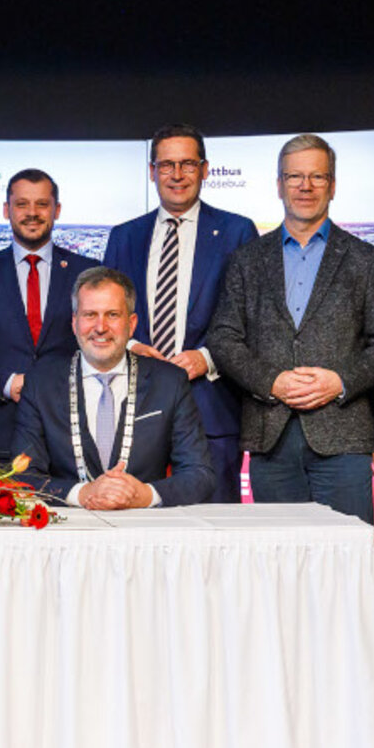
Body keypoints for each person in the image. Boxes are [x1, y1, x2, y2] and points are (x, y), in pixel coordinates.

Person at [205, 134, 374, 522]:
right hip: (271, 435)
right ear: (279, 185)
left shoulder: (365, 260)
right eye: (295, 176)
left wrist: (340, 381)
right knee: (280, 565)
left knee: (344, 564)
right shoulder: (247, 259)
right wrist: (271, 382)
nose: (305, 186)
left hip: (343, 436)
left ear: (332, 185)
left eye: (317, 176)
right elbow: (224, 338)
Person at [102, 124, 258, 502]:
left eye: (187, 164)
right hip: (137, 409)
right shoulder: (124, 236)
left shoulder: (238, 232)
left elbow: (254, 319)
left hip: (212, 408)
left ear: (205, 170)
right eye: (166, 164)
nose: (176, 175)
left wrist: (207, 358)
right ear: (151, 171)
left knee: (216, 531)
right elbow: (106, 314)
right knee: (138, 530)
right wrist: (131, 346)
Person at [13, 267, 213, 507]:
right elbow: (22, 475)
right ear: (74, 322)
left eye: (112, 315)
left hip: (146, 530)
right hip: (66, 530)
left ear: (132, 323)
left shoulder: (169, 381)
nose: (100, 327)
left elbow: (200, 475)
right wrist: (82, 493)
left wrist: (145, 495)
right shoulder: (40, 382)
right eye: (90, 315)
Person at [0, 169, 100, 462]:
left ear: (56, 210)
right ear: (6, 210)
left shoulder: (87, 272)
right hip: (2, 432)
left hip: (74, 430)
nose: (32, 213)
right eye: (22, 204)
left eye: (42, 204)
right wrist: (9, 383)